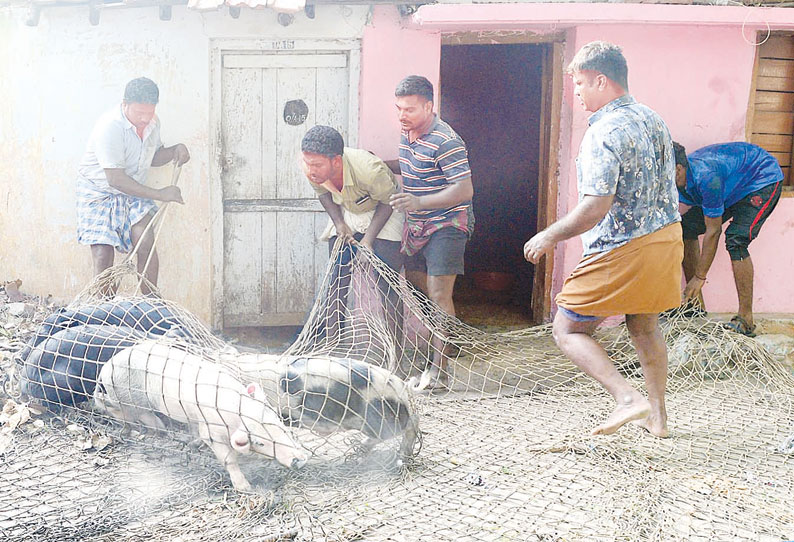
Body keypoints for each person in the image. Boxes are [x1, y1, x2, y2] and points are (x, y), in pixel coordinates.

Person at [524, 41, 682, 438]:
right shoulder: (653, 119)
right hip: (666, 238)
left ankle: (627, 398)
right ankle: (658, 419)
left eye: (579, 84)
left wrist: (549, 234)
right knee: (645, 327)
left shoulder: (603, 132)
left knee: (568, 329)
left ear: (601, 80)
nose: (576, 92)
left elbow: (596, 206)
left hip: (622, 247)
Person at [389, 75, 475, 390]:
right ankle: (451, 330)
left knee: (439, 294)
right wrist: (375, 164)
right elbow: (411, 164)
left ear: (429, 106)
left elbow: (464, 190)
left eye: (409, 109)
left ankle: (440, 373)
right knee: (420, 285)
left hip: (447, 224)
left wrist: (420, 201)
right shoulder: (407, 132)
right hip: (417, 224)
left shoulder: (447, 141)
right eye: (398, 108)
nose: (402, 115)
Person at [76, 77, 190, 294]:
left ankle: (151, 309)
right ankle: (104, 311)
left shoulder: (152, 122)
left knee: (145, 241)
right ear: (124, 104)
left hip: (131, 187)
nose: (145, 119)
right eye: (139, 113)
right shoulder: (110, 127)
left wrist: (176, 149)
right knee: (103, 253)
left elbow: (151, 157)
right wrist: (160, 194)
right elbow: (115, 179)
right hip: (99, 191)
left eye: (149, 113)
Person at [300, 125, 404, 357]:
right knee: (336, 280)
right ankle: (334, 351)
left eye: (316, 165)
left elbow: (388, 203)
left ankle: (395, 357)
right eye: (308, 163)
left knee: (387, 285)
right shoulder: (311, 167)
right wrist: (339, 223)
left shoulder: (370, 169)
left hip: (384, 209)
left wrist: (368, 241)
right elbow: (324, 194)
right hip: (349, 211)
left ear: (336, 162)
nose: (310, 170)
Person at [673, 141, 783, 337]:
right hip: (730, 188)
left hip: (761, 179)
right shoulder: (678, 180)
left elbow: (713, 230)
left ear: (678, 168)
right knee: (684, 229)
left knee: (736, 240)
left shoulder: (706, 178)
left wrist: (700, 277)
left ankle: (746, 319)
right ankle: (693, 306)